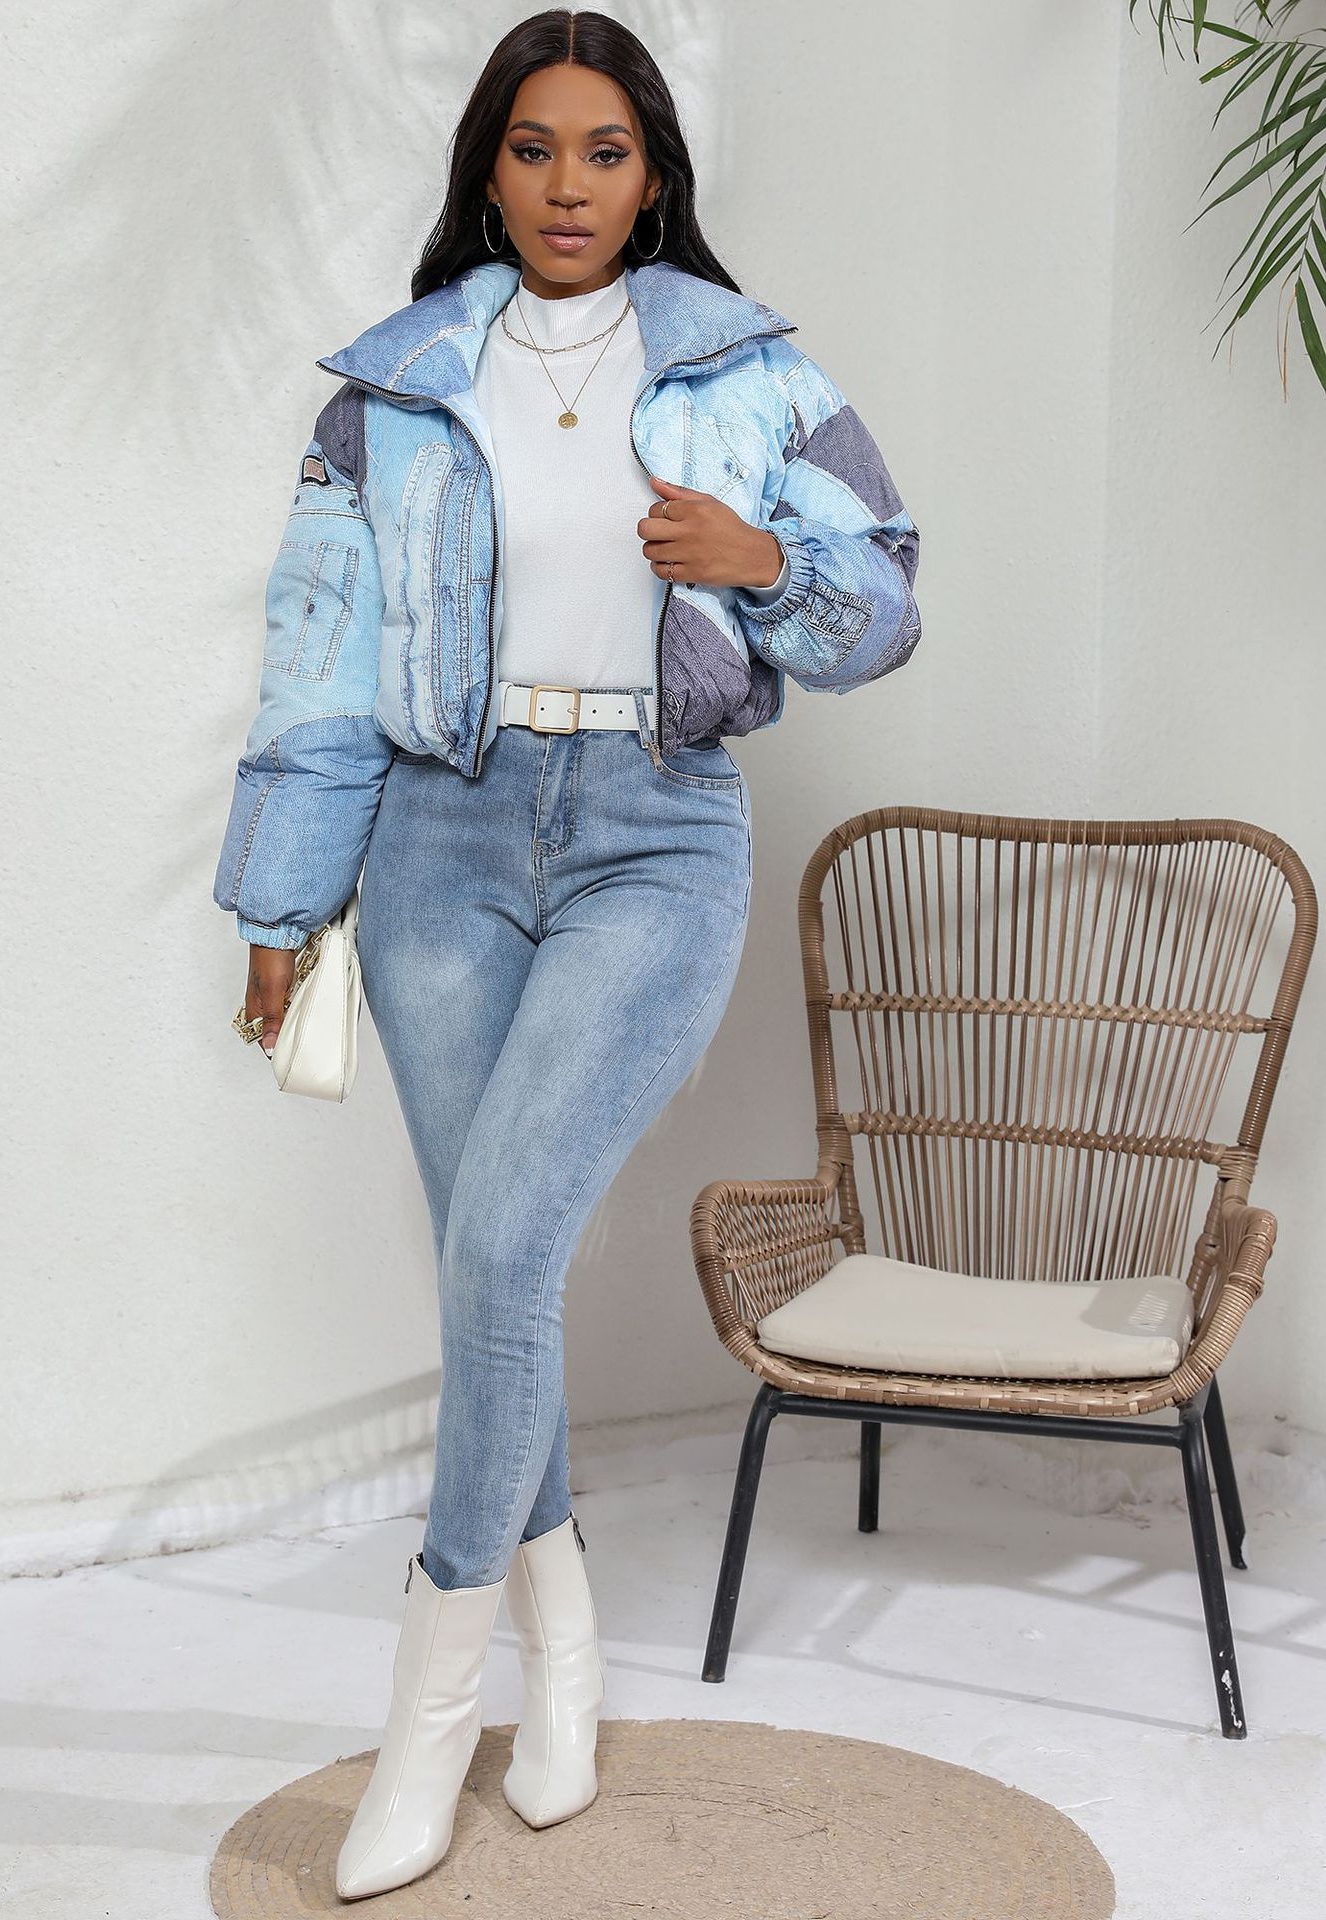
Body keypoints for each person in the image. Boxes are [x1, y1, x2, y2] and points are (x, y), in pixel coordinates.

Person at [212, 8, 922, 1901]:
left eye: (604, 151)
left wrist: (766, 565)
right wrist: (283, 908)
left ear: (655, 174)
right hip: (439, 840)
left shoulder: (750, 373)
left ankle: (427, 1715)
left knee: (505, 1251)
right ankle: (569, 1653)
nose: (567, 186)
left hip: (655, 833)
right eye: (533, 149)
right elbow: (317, 666)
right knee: (487, 1271)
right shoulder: (392, 392)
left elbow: (888, 603)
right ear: (488, 170)